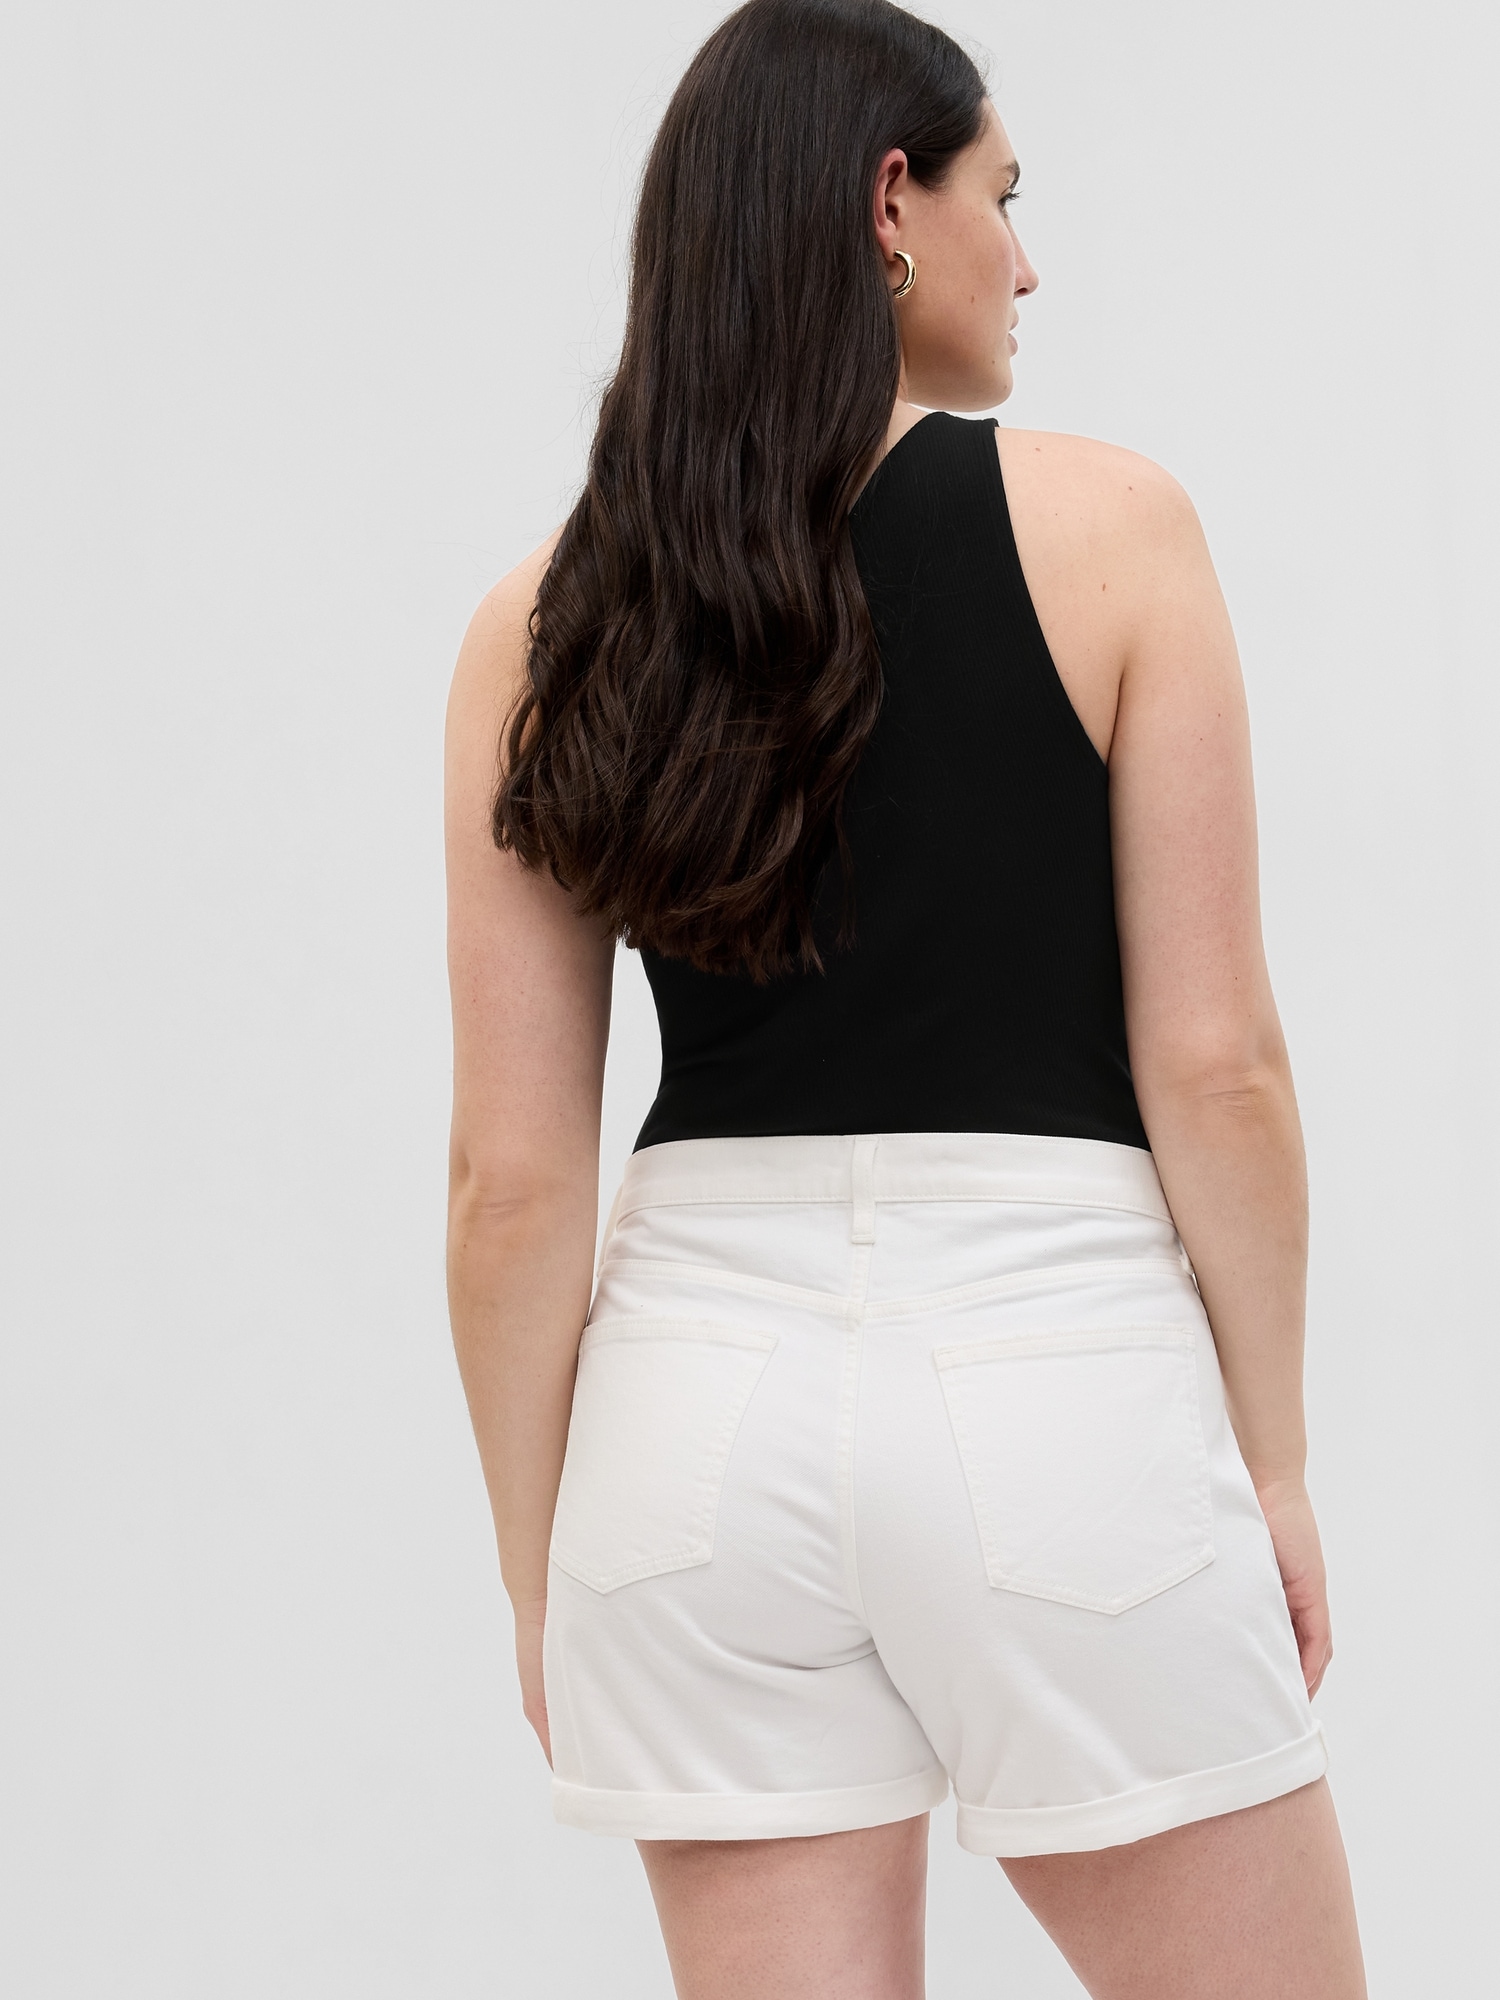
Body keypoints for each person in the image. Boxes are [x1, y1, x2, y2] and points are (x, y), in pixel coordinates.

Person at [443, 2, 1367, 1992]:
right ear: (891, 203)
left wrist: (541, 1568)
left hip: (685, 1422)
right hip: (1057, 1379)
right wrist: (1275, 1464)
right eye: (1001, 198)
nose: (1024, 263)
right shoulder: (1114, 532)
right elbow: (1218, 1069)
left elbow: (510, 1190)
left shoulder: (542, 622)